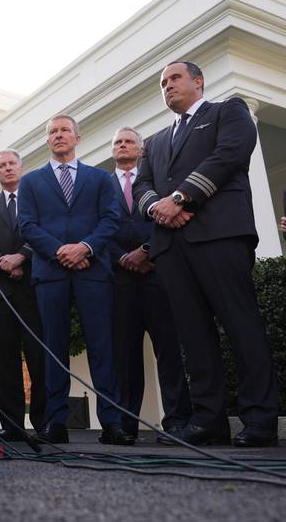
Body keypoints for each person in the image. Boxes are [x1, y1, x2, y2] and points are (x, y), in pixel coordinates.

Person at [134, 61, 279, 447]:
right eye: (162, 83)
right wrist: (157, 208)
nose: (167, 87)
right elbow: (142, 186)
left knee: (241, 327)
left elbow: (230, 154)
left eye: (174, 78)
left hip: (219, 236)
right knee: (193, 337)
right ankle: (208, 420)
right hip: (171, 247)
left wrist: (181, 199)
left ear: (198, 81)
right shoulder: (155, 141)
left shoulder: (227, 111)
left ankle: (260, 419)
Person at [18, 114, 134, 446]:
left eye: (64, 130)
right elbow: (27, 225)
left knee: (102, 347)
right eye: (52, 131)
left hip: (93, 270)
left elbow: (110, 220)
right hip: (50, 272)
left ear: (77, 137)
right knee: (53, 348)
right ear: (47, 140)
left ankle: (111, 422)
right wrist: (61, 251)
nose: (58, 135)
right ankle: (56, 422)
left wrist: (84, 248)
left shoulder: (99, 178)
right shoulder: (31, 181)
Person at [107, 127, 191, 441]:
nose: (123, 145)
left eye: (129, 141)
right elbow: (97, 224)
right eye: (118, 142)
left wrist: (146, 252)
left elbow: (167, 218)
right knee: (124, 358)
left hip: (158, 274)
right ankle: (125, 424)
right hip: (119, 279)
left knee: (168, 352)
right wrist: (122, 257)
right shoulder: (101, 184)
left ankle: (177, 422)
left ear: (141, 149)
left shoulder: (156, 181)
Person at [0, 149, 46, 439]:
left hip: (32, 288)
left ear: (21, 166)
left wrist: (21, 258)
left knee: (39, 358)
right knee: (5, 361)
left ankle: (44, 423)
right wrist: (2, 263)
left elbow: (42, 232)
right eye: (1, 165)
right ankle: (12, 426)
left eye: (11, 163)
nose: (7, 168)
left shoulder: (37, 200)